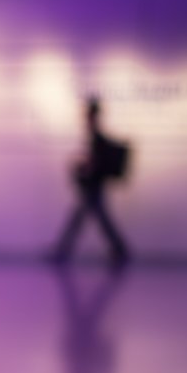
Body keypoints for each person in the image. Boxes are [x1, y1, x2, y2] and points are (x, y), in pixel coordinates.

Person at [54, 97, 130, 264]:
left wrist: (82, 167)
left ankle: (120, 250)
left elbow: (95, 160)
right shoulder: (94, 133)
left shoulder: (95, 134)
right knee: (88, 218)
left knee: (90, 219)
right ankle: (119, 250)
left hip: (94, 183)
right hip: (94, 183)